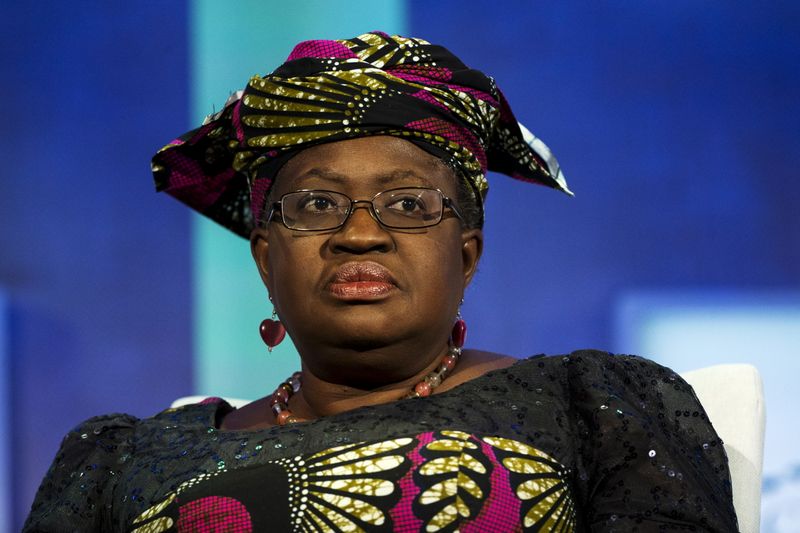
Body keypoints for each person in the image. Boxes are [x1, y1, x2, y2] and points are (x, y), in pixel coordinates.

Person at [24, 32, 738, 532]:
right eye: (316, 204)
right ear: (266, 258)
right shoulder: (124, 457)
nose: (360, 233)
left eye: (408, 204)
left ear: (467, 254)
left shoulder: (592, 406)